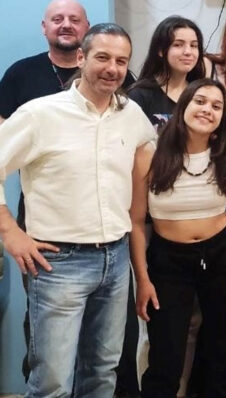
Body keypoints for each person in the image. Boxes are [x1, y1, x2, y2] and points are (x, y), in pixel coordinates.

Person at [0, 23, 156, 397]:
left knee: (102, 372)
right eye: (103, 57)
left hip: (115, 259)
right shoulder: (40, 114)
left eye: (121, 61)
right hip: (59, 263)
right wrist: (9, 232)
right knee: (53, 380)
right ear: (82, 58)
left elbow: (149, 153)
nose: (113, 69)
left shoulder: (131, 113)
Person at [129, 78, 226, 397]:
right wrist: (143, 279)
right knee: (166, 357)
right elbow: (136, 222)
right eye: (200, 101)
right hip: (169, 262)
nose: (207, 110)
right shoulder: (150, 153)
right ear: (183, 106)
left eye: (216, 106)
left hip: (222, 256)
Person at [128, 16, 207, 131]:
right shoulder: (139, 95)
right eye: (178, 45)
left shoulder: (202, 93)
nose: (188, 52)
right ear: (160, 50)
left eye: (194, 46)